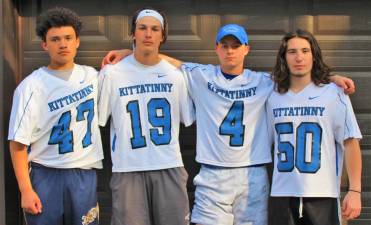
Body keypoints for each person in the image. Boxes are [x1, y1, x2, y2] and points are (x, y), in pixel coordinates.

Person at [102, 24, 355, 225]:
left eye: (236, 45)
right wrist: (131, 53)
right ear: (217, 48)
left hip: (252, 173)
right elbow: (169, 62)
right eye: (225, 45)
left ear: (246, 49)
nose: (230, 51)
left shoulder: (265, 82)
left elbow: (299, 74)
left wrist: (332, 77)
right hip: (212, 173)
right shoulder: (201, 75)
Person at [97, 8, 194, 225]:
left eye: (154, 29)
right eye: (142, 28)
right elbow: (100, 119)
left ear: (162, 36)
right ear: (133, 33)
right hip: (127, 168)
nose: (148, 34)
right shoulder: (112, 73)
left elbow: (187, 118)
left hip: (168, 164)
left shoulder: (176, 76)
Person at [8, 7, 103, 225]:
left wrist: (126, 52)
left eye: (68, 38)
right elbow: (17, 144)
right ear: (44, 44)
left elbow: (128, 68)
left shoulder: (93, 77)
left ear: (77, 41)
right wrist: (25, 190)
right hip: (46, 175)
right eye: (55, 39)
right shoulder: (31, 86)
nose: (63, 44)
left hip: (83, 175)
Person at [266, 29, 362, 225]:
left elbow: (350, 142)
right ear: (284, 57)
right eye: (292, 52)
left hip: (323, 195)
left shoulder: (334, 93)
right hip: (281, 194)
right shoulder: (270, 94)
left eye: (305, 51)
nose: (299, 57)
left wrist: (355, 190)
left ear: (314, 55)